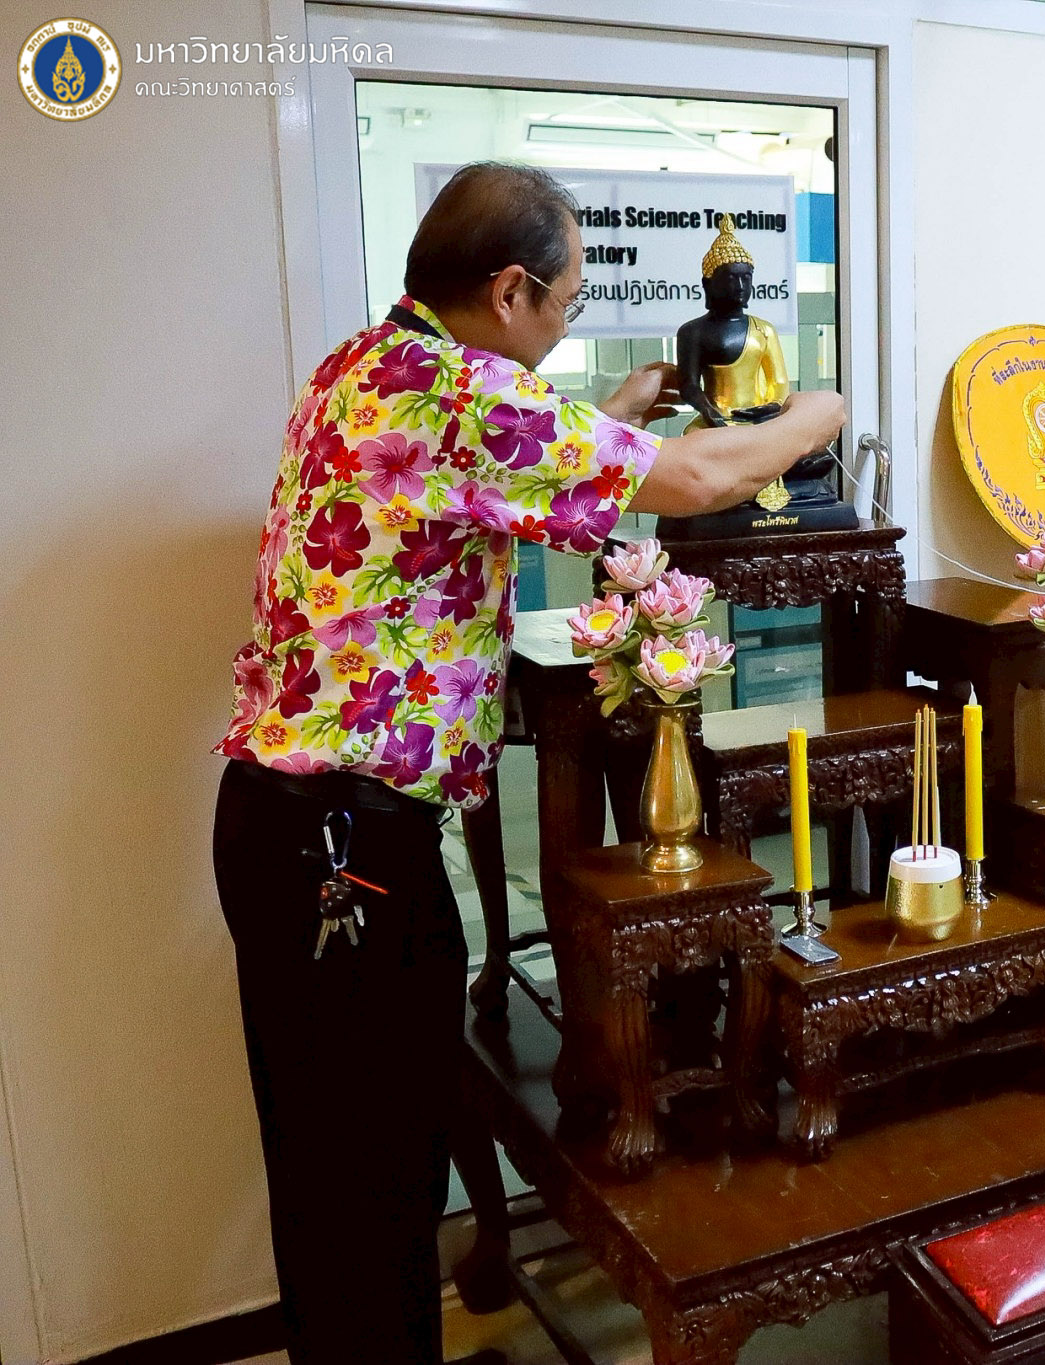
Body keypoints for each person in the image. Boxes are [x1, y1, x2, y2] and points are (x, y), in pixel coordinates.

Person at [211, 162, 843, 1365]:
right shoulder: (461, 397)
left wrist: (613, 406)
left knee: (335, 1163)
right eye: (564, 303)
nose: (561, 325)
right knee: (372, 1177)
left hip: (284, 827)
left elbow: (491, 461)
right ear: (508, 290)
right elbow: (701, 478)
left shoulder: (363, 366)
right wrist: (813, 410)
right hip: (346, 849)